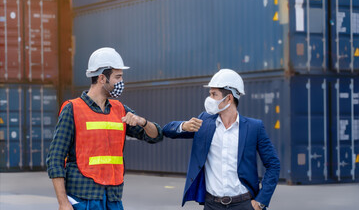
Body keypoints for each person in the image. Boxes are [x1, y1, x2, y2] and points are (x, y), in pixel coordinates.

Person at [46, 47, 163, 210]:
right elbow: (55, 159)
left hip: (113, 197)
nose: (121, 82)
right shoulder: (72, 109)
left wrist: (142, 122)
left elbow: (155, 136)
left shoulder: (120, 109)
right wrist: (63, 202)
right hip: (84, 198)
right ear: (102, 78)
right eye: (118, 77)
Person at [163, 69, 280, 210]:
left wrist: (260, 202)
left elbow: (273, 164)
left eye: (214, 94)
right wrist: (183, 126)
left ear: (229, 98)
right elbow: (167, 130)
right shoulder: (204, 122)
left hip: (244, 204)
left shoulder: (254, 127)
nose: (209, 99)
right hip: (212, 205)